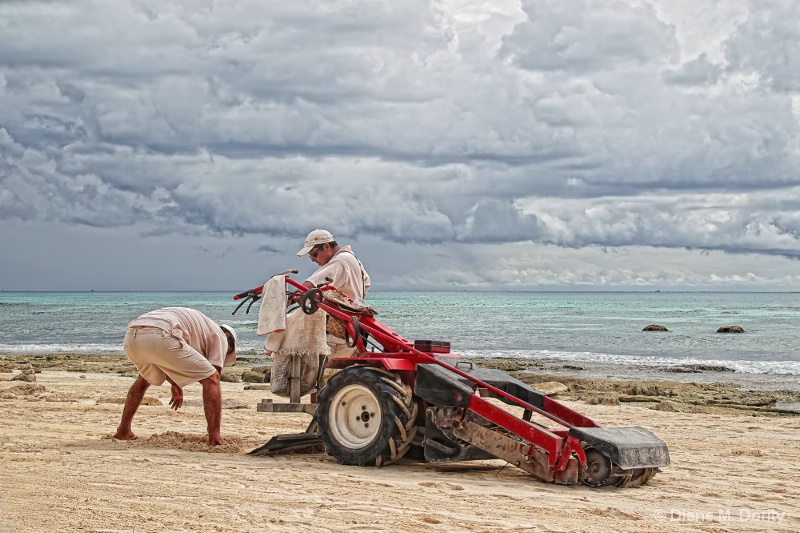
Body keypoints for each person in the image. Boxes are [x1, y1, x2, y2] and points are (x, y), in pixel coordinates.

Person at [112, 307, 237, 446]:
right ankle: (215, 438)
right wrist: (178, 383)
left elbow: (174, 361)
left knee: (143, 379)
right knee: (212, 378)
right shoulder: (220, 335)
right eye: (227, 352)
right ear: (227, 336)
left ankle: (123, 431)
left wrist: (175, 383)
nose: (223, 355)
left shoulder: (200, 329)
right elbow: (215, 373)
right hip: (162, 333)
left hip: (132, 336)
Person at [296, 229, 370, 358]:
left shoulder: (339, 261)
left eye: (314, 255)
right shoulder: (353, 260)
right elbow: (367, 284)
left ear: (326, 246)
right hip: (352, 333)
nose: (313, 260)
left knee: (322, 375)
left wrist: (292, 297)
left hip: (337, 337)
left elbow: (311, 284)